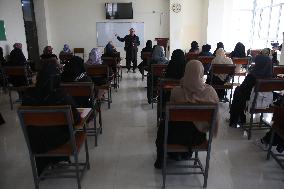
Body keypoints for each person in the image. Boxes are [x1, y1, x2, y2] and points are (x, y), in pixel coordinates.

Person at [154, 60, 219, 169]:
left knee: (164, 125)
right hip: (198, 138)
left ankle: (163, 157)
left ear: (186, 71)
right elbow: (215, 118)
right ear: (201, 73)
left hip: (175, 137)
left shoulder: (176, 91)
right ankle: (185, 153)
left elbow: (171, 117)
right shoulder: (210, 92)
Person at [22, 59, 81, 176]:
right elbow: (76, 119)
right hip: (58, 140)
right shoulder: (61, 95)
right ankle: (58, 158)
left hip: (35, 141)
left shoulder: (28, 94)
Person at [229, 49, 273, 127]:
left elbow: (244, 88)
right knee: (241, 92)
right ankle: (239, 118)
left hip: (254, 100)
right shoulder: (271, 77)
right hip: (266, 101)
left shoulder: (253, 76)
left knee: (238, 91)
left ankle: (235, 119)